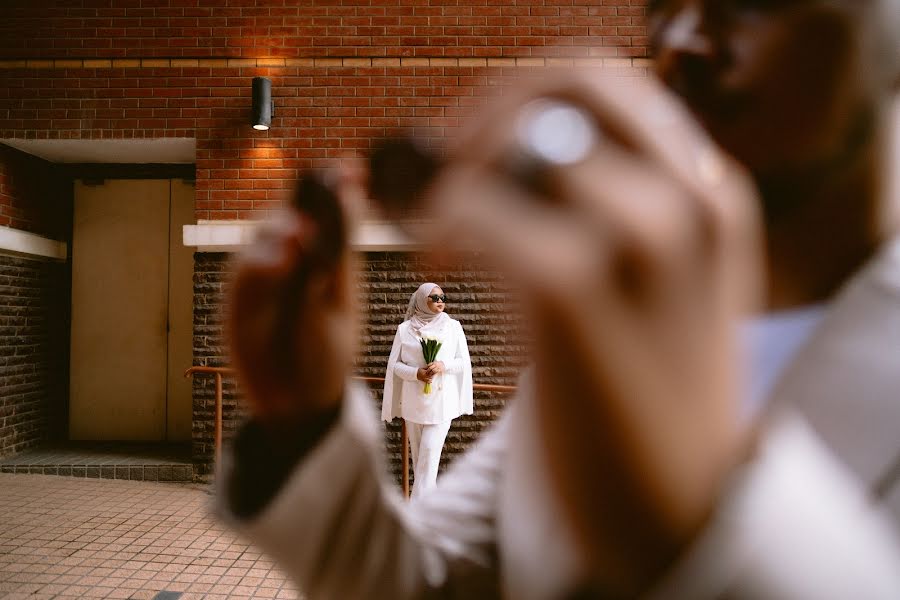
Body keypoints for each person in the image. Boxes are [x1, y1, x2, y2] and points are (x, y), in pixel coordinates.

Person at [219, 1, 900, 598]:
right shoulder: (615, 323)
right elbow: (434, 584)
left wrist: (703, 531)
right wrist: (303, 418)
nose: (683, 39)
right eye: (661, 4)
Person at [382, 283, 474, 498]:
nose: (440, 300)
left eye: (443, 296)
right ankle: (426, 512)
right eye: (434, 297)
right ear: (422, 300)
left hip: (442, 404)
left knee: (430, 455)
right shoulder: (405, 329)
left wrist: (444, 366)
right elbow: (394, 365)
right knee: (420, 464)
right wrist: (416, 373)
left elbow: (464, 362)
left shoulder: (453, 327)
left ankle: (417, 515)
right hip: (414, 404)